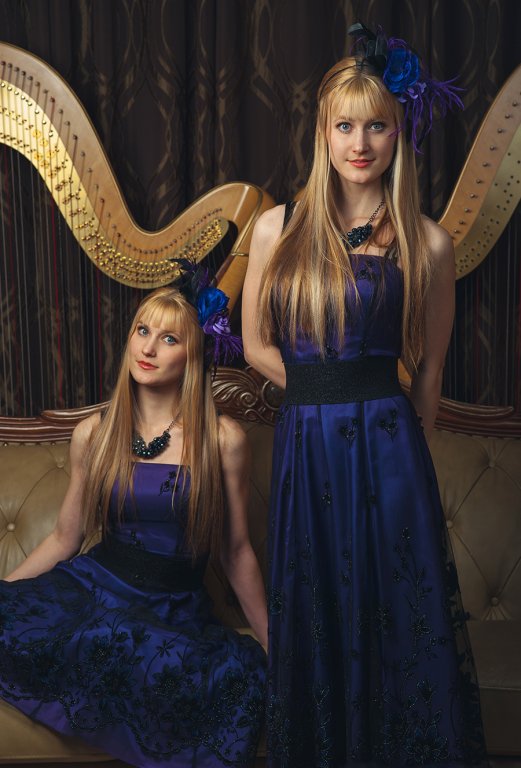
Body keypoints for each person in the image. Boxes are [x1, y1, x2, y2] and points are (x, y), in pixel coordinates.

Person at [242, 22, 488, 768]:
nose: (360, 142)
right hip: (307, 445)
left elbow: (431, 371)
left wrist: (402, 444)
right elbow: (254, 345)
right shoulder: (277, 229)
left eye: (376, 126)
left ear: (397, 134)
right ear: (322, 134)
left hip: (389, 453)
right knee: (318, 609)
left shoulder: (427, 242)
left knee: (395, 619)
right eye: (345, 126)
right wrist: (323, 392)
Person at [0, 278, 268, 768]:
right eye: (142, 331)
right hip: (94, 587)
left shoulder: (222, 440)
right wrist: (5, 593)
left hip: (171, 608)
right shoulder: (94, 433)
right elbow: (65, 537)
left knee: (161, 663)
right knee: (90, 636)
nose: (147, 348)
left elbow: (235, 552)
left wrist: (276, 644)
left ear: (193, 355)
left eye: (168, 338)